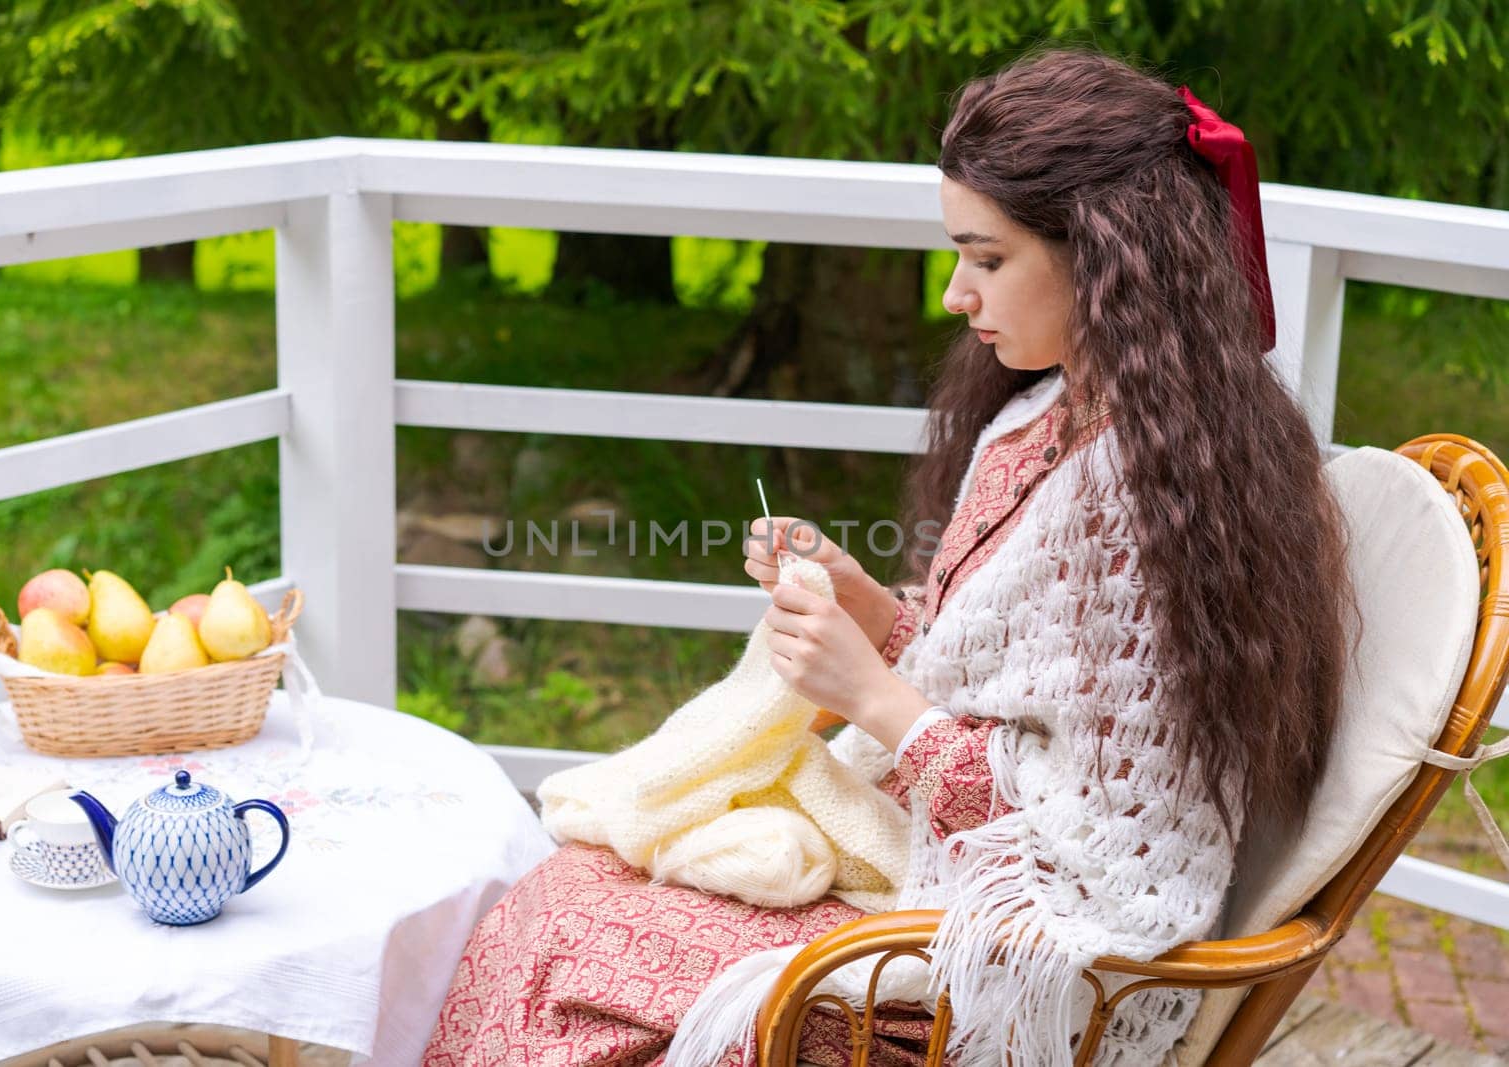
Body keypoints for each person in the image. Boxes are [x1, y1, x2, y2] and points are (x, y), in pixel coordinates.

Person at [423, 45, 1352, 1066]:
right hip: (935, 876)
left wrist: (873, 694)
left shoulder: (1146, 497)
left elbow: (1090, 856)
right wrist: (881, 617)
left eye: (987, 259)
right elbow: (1018, 680)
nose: (957, 294)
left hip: (1023, 973)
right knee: (560, 897)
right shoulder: (1054, 414)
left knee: (565, 945)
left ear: (1108, 257)